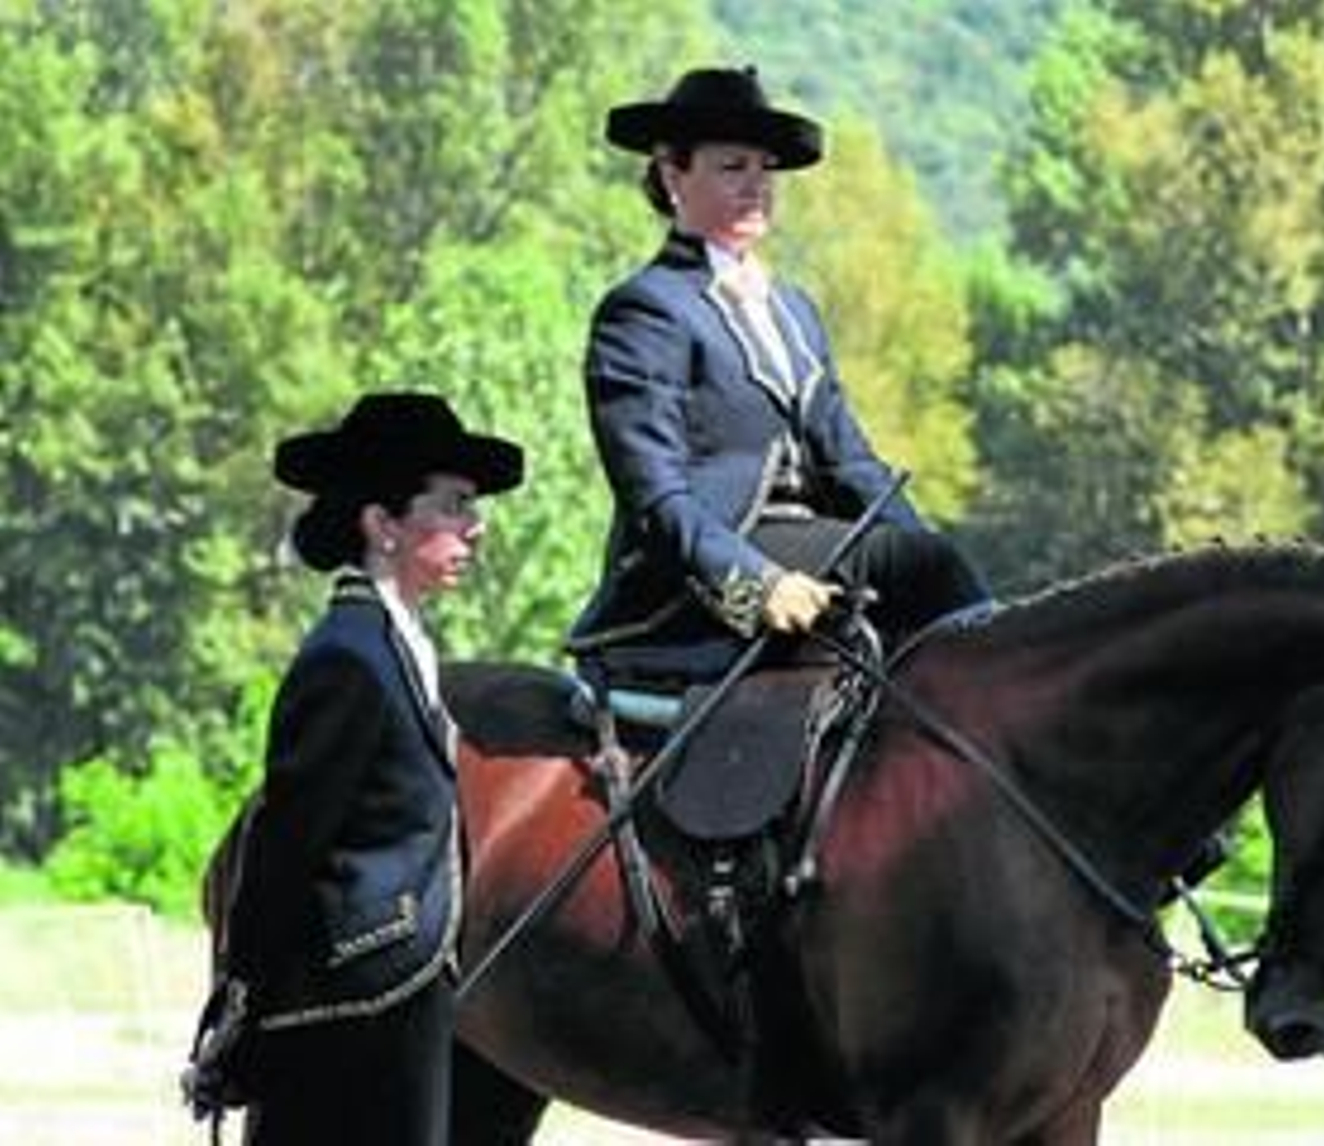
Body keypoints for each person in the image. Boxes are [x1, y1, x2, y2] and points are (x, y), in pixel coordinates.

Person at [568, 65, 989, 685]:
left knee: (923, 562)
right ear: (673, 173)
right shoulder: (645, 309)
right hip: (700, 571)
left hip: (816, 546)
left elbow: (851, 461)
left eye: (765, 170)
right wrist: (754, 583)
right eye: (732, 168)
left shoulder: (794, 309)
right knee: (918, 564)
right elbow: (654, 496)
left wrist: (925, 551)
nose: (756, 186)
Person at [198, 392, 523, 1145]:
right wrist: (243, 1002)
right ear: (383, 526)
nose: (475, 526)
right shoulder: (347, 656)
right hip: (350, 1000)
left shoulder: (399, 641)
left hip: (406, 988)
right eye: (453, 506)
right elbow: (286, 845)